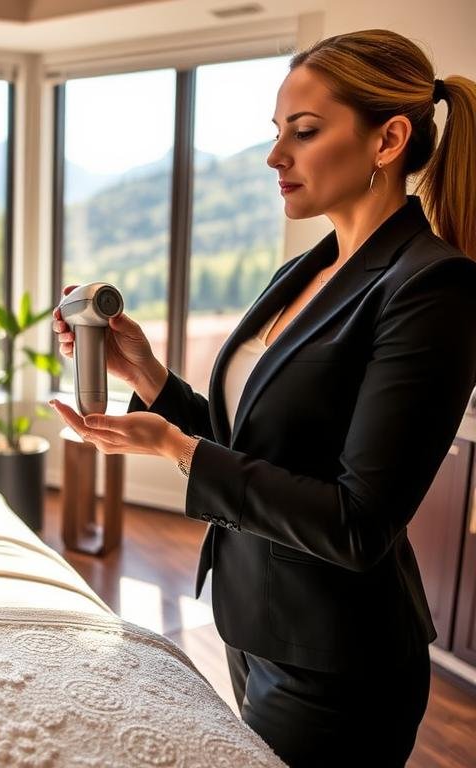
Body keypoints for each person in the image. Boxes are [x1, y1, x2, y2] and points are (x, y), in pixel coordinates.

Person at [50, 29, 476, 768]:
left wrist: (177, 451)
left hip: (340, 663)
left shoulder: (429, 288)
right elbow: (254, 442)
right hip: (258, 626)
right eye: (277, 134)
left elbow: (356, 522)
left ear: (389, 140)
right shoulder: (311, 268)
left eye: (304, 133)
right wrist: (147, 374)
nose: (275, 157)